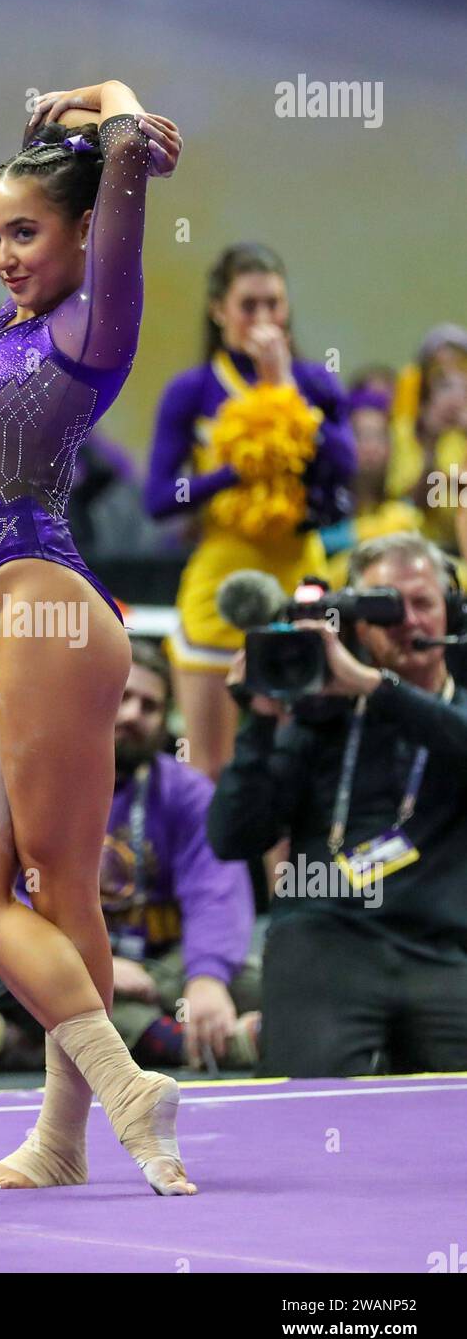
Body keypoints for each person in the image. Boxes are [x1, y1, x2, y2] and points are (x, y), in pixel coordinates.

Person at [0, 81, 193, 1194]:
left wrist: (109, 106)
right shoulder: (13, 321)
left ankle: (80, 1122)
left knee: (55, 887)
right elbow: (85, 159)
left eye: (23, 232)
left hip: (41, 601)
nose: (2, 255)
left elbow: (126, 151)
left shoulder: (94, 322)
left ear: (86, 232)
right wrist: (57, 133)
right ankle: (96, 1111)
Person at [207, 531, 467, 1077]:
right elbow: (234, 836)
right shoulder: (318, 717)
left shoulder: (455, 713)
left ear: (452, 614)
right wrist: (258, 721)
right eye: (385, 606)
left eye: (423, 603)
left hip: (446, 949)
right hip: (325, 937)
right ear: (357, 623)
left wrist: (374, 686)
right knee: (313, 1111)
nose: (408, 621)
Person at [0, 640, 261, 1073]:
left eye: (150, 707)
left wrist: (206, 980)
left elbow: (216, 896)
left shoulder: (188, 793)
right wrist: (94, 964)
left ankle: (35, 1043)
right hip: (66, 960)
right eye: (123, 698)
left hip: (164, 966)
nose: (132, 716)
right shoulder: (33, 788)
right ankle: (196, 1044)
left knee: (264, 982)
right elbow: (5, 906)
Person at [143, 243, 356, 780]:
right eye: (248, 305)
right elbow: (160, 498)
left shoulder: (313, 384)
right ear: (218, 310)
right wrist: (231, 474)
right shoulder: (191, 391)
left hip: (299, 584)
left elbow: (346, 464)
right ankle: (214, 868)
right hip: (221, 587)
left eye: (274, 304)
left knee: (292, 770)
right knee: (211, 767)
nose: (263, 319)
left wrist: (284, 391)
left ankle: (287, 869)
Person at [322, 382, 421, 588]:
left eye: (379, 437)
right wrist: (363, 533)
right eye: (361, 436)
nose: (371, 448)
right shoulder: (321, 507)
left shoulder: (403, 510)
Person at [387, 324, 467, 552]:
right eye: (441, 380)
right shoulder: (408, 430)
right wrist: (431, 442)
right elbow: (413, 504)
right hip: (425, 547)